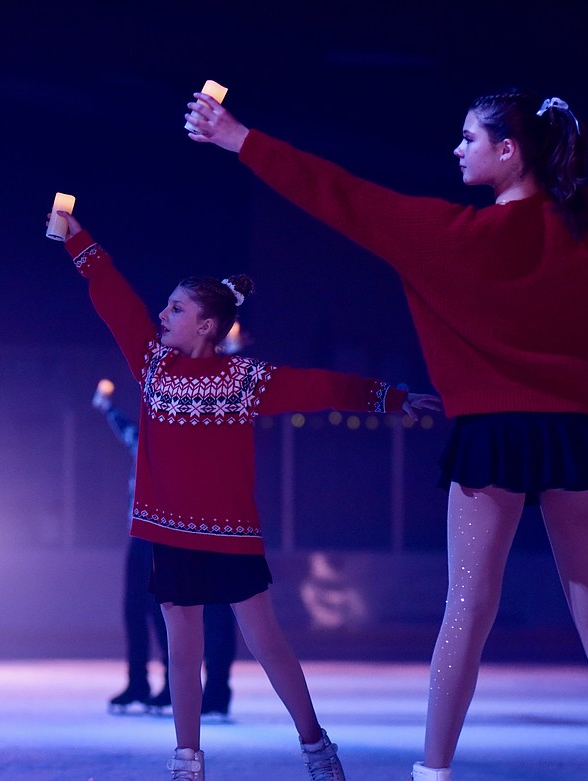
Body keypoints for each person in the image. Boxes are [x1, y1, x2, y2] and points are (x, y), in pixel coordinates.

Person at [184, 87, 588, 781]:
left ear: (509, 150)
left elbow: (335, 192)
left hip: (492, 441)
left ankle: (433, 772)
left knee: (465, 613)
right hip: (576, 438)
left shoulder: (442, 234)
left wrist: (240, 139)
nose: (456, 148)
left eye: (468, 137)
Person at [53, 208, 440, 781]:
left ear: (207, 324)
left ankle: (315, 746)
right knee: (182, 652)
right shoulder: (152, 365)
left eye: (177, 308)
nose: (162, 314)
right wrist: (75, 235)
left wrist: (389, 397)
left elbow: (320, 387)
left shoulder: (244, 380)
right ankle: (187, 762)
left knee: (268, 643)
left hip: (230, 536)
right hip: (167, 534)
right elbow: (114, 296)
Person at [93, 382, 239, 719]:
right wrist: (108, 408)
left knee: (210, 611)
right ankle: (144, 683)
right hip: (145, 533)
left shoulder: (197, 432)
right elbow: (130, 433)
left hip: (194, 529)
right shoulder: (149, 438)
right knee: (139, 608)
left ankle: (213, 690)